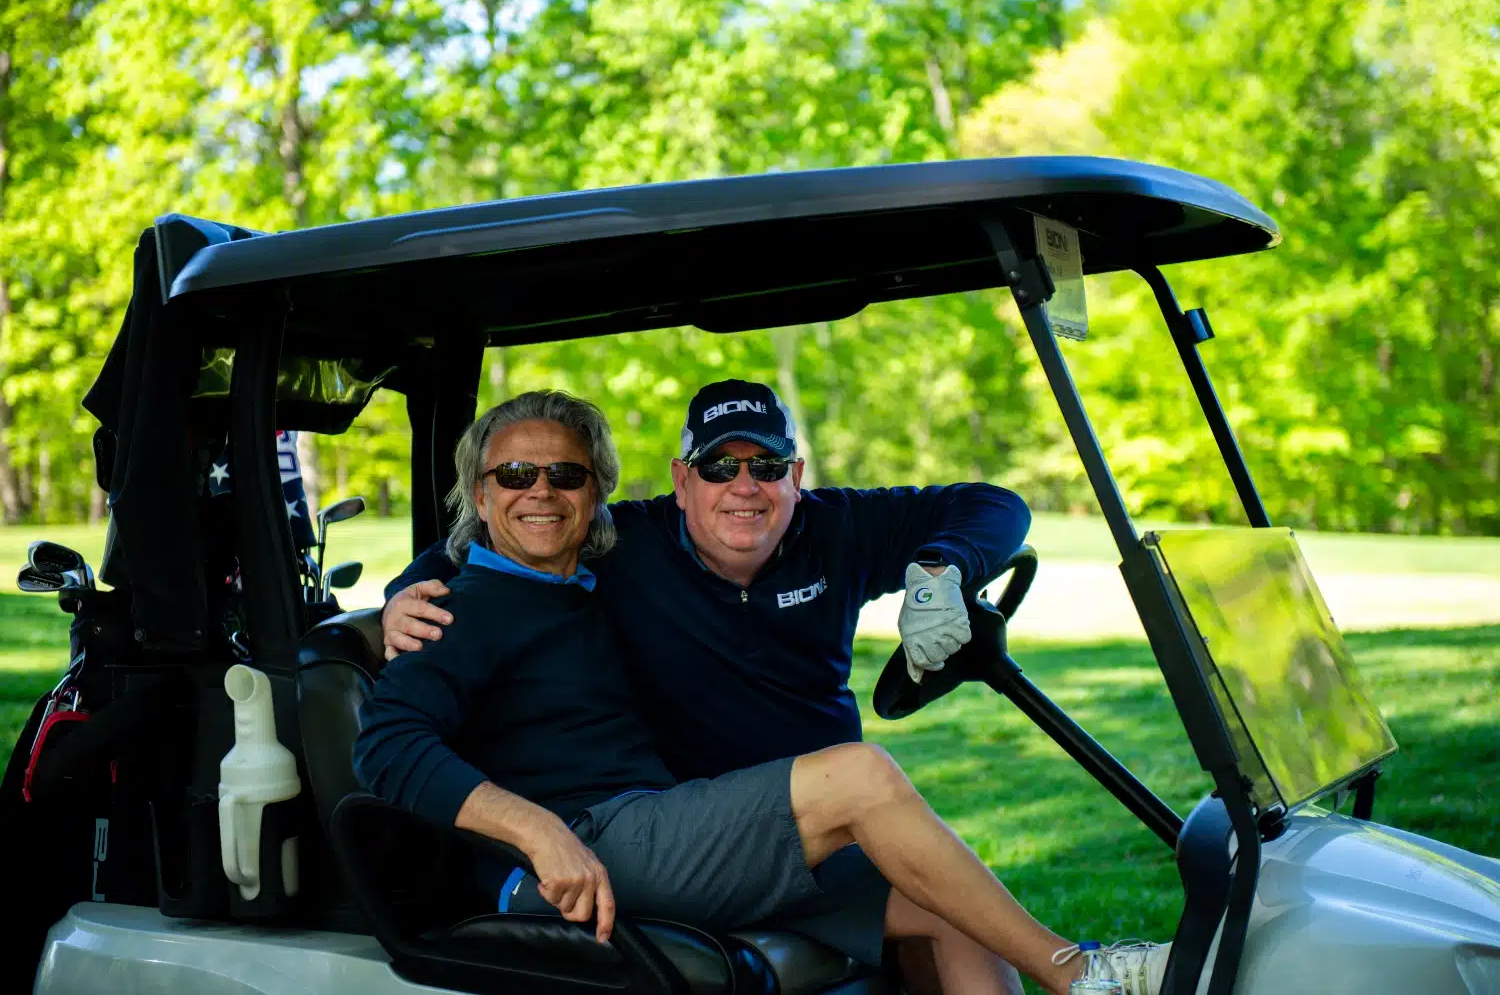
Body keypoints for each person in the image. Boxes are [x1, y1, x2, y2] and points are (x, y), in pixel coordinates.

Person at [355, 390, 1171, 995]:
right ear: (482, 491)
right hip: (584, 844)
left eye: (565, 473)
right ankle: (1080, 974)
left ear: (597, 490)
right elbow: (386, 745)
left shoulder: (590, 570)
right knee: (858, 773)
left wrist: (941, 570)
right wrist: (535, 830)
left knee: (953, 902)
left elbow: (992, 505)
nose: (541, 491)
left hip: (671, 822)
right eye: (515, 474)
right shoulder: (454, 607)